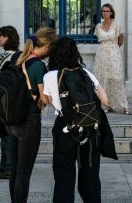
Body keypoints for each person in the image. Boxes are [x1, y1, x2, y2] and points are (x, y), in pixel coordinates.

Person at [42, 37, 109, 203]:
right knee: (90, 173)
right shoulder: (86, 73)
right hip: (90, 127)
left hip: (65, 128)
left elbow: (45, 100)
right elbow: (105, 100)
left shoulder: (51, 76)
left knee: (64, 173)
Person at [7, 27, 55, 203]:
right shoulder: (39, 66)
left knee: (15, 169)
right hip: (29, 120)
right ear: (48, 46)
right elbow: (43, 98)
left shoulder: (20, 60)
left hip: (12, 120)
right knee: (24, 172)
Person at [0, 26, 22, 180]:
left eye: (1, 36)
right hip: (20, 101)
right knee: (15, 136)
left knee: (6, 136)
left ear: (7, 37)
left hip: (5, 102)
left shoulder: (4, 56)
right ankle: (15, 166)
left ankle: (7, 168)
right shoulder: (22, 56)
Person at [93, 3, 130, 115]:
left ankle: (124, 106)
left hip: (114, 53)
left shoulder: (117, 25)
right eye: (103, 11)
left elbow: (121, 40)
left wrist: (113, 49)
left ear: (112, 12)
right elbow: (98, 38)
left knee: (116, 79)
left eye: (107, 11)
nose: (105, 13)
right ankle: (106, 105)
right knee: (102, 78)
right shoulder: (98, 26)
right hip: (101, 54)